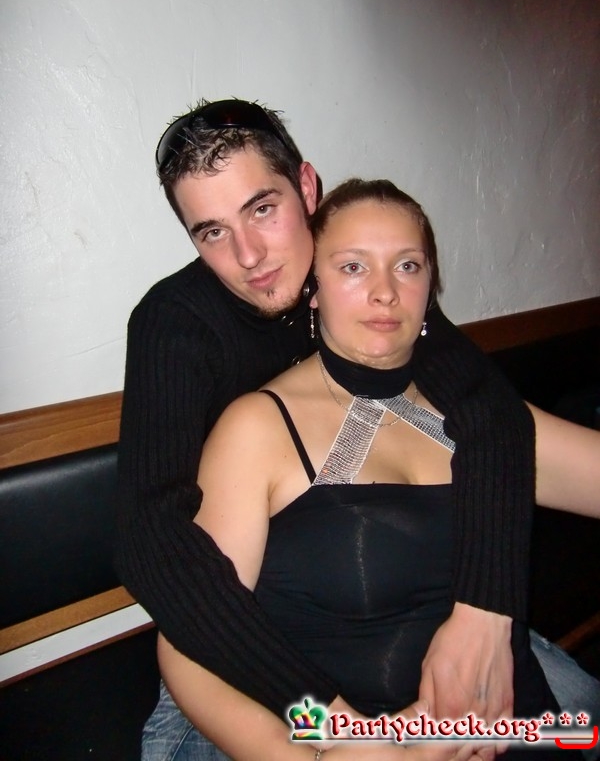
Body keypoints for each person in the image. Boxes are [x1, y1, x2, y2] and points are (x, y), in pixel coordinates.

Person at [114, 100, 599, 760]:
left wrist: (487, 611)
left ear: (306, 189)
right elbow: (156, 547)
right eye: (213, 231)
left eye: (263, 209)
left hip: (411, 644)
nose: (249, 255)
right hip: (231, 641)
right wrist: (335, 728)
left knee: (575, 717)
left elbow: (490, 413)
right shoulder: (180, 328)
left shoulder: (375, 296)